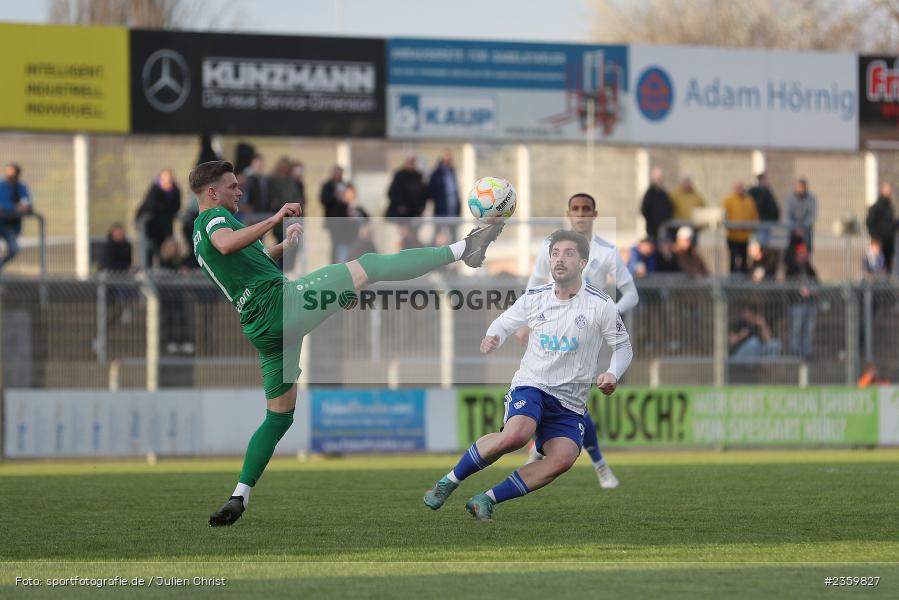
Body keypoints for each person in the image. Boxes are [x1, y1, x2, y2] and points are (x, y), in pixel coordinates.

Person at [190, 161, 505, 526]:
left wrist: (281, 246)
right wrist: (275, 218)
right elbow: (227, 244)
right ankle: (463, 249)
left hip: (263, 328)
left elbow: (244, 259)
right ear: (212, 193)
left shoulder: (199, 235)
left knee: (278, 417)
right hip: (282, 306)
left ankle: (239, 496)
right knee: (368, 265)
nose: (238, 191)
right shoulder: (212, 220)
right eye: (231, 186)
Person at [423, 230, 633, 520]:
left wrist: (613, 372)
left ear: (583, 262)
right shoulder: (535, 298)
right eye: (555, 253)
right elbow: (504, 322)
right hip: (532, 385)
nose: (559, 259)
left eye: (568, 253)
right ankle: (449, 481)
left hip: (570, 403)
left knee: (563, 458)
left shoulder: (601, 305)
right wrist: (493, 335)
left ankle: (486, 499)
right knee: (516, 436)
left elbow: (623, 347)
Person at [519, 192, 638, 489]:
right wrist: (525, 321)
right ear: (568, 213)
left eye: (586, 209)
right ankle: (597, 465)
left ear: (595, 214)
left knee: (573, 403)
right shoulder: (550, 247)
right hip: (550, 330)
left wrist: (610, 315)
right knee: (547, 392)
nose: (581, 214)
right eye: (576, 208)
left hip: (585, 334)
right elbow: (534, 285)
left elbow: (632, 293)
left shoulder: (607, 252)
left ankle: (550, 452)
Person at [136, 169, 181, 268]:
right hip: (152, 228)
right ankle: (148, 271)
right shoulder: (155, 189)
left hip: (165, 227)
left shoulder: (175, 190)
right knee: (150, 250)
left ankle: (167, 271)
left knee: (167, 250)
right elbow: (152, 205)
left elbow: (176, 206)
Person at [386, 155, 429, 249]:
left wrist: (420, 209)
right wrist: (400, 206)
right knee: (398, 242)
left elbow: (424, 195)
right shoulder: (399, 175)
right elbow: (391, 193)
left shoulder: (418, 176)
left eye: (413, 162)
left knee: (412, 243)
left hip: (413, 217)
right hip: (399, 217)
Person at [785, 242, 817, 360]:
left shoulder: (810, 269)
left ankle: (807, 352)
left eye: (805, 253)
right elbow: (788, 287)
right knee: (796, 329)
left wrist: (811, 290)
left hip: (810, 304)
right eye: (801, 253)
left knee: (809, 330)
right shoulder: (792, 269)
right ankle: (795, 352)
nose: (803, 256)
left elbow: (817, 284)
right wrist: (799, 290)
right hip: (797, 304)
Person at [0, 163, 33, 271]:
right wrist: (14, 207)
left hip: (11, 227)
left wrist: (25, 207)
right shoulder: (2, 186)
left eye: (13, 176)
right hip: (1, 223)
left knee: (14, 249)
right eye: (8, 175)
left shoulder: (21, 187)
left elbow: (27, 204)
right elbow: (3, 205)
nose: (10, 178)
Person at [722, 182, 759, 274]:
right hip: (733, 236)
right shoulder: (729, 200)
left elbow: (754, 215)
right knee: (733, 258)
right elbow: (724, 215)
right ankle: (732, 278)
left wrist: (753, 228)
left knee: (744, 258)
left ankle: (743, 278)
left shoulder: (749, 200)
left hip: (745, 236)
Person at [428, 149, 461, 245]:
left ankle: (453, 258)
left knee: (453, 239)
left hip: (453, 212)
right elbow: (432, 191)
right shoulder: (436, 173)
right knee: (438, 237)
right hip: (441, 211)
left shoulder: (452, 172)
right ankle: (436, 258)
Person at [866, 182, 896, 275]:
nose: (889, 192)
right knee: (878, 267)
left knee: (887, 268)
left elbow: (891, 225)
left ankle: (886, 287)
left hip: (889, 243)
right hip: (879, 244)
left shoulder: (890, 207)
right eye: (887, 190)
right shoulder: (876, 207)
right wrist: (875, 239)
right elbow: (870, 223)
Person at [320, 165, 348, 263]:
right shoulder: (328, 186)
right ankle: (334, 263)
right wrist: (335, 195)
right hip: (333, 220)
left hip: (344, 220)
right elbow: (324, 200)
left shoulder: (345, 185)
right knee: (335, 243)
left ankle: (342, 261)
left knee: (344, 242)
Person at [640, 166, 673, 244]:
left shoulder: (664, 194)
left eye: (660, 178)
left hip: (663, 228)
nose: (658, 180)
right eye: (657, 178)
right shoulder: (649, 193)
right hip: (652, 229)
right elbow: (644, 209)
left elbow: (669, 208)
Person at [785, 177, 817, 254]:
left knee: (805, 254)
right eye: (799, 187)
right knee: (791, 254)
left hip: (806, 232)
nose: (801, 190)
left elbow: (812, 216)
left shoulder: (811, 199)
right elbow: (787, 216)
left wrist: (803, 228)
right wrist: (796, 228)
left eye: (803, 187)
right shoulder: (790, 199)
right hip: (793, 232)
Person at [748, 172, 780, 248]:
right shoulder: (755, 191)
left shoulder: (767, 190)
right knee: (758, 245)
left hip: (767, 222)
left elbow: (773, 207)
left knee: (765, 245)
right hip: (759, 223)